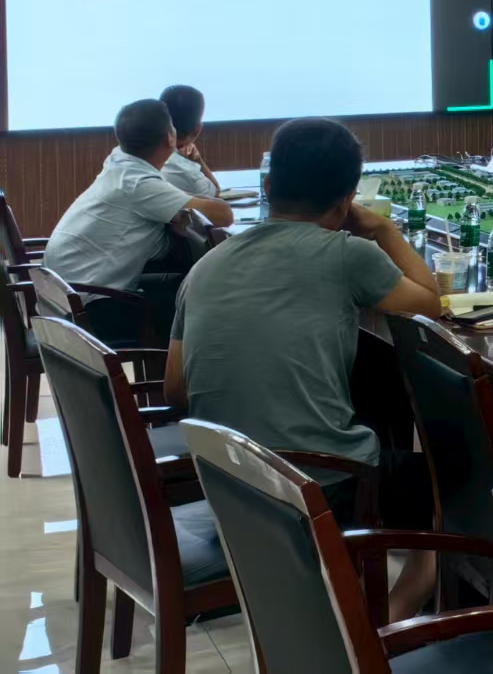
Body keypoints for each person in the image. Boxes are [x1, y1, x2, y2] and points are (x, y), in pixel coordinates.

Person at [164, 117, 442, 618]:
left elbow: (176, 389)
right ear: (346, 202)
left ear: (268, 187)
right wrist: (383, 227)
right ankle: (392, 617)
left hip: (228, 482)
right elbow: (428, 302)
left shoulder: (205, 265)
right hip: (316, 487)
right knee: (440, 478)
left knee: (366, 404)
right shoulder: (348, 253)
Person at [43, 98, 234, 294]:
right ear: (170, 138)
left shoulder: (118, 161)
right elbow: (223, 215)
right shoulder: (139, 184)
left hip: (63, 293)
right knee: (202, 290)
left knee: (186, 281)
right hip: (93, 299)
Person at [159, 84, 220, 197]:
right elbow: (215, 193)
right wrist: (199, 161)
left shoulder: (140, 156)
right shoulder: (188, 172)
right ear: (197, 130)